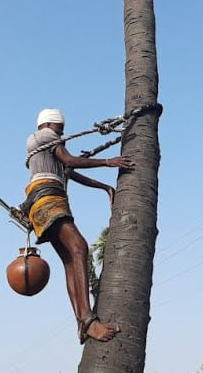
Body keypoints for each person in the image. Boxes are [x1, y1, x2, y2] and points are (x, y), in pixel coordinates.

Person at [24, 108, 134, 343]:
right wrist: (108, 161)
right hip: (49, 201)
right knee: (80, 248)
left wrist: (104, 187)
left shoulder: (43, 149)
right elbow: (69, 160)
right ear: (52, 125)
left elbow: (70, 171)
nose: (62, 133)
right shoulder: (43, 137)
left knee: (69, 260)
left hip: (41, 205)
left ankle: (82, 323)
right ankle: (88, 320)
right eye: (60, 129)